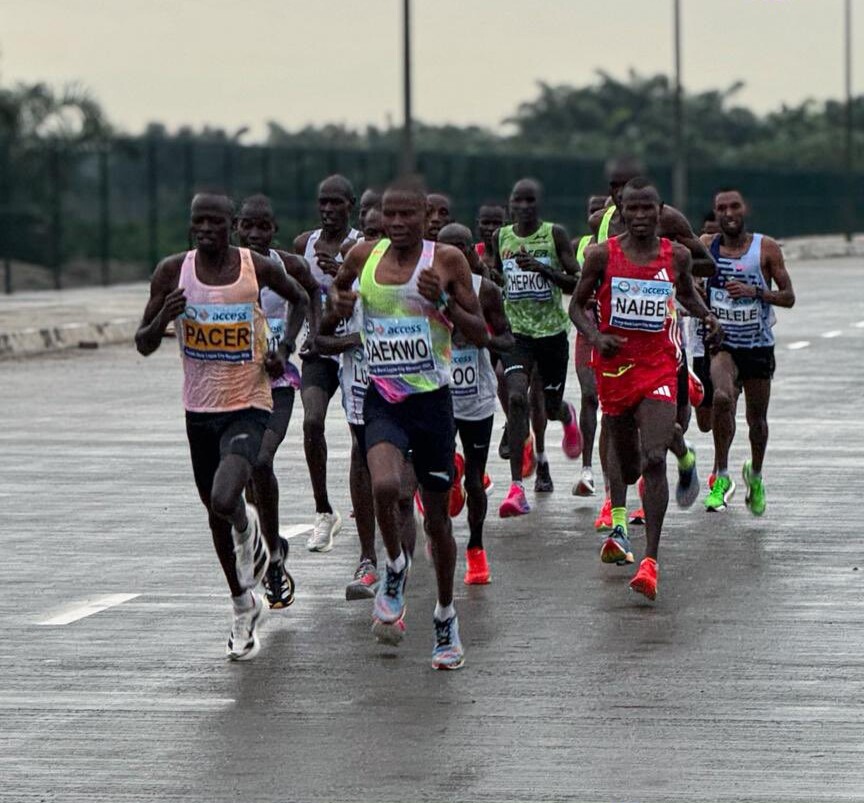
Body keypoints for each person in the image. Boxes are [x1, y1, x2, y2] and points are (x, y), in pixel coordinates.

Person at [135, 192, 309, 659]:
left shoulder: (256, 267)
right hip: (199, 410)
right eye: (199, 222)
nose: (206, 229)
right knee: (216, 514)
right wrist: (164, 318)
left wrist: (284, 348)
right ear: (191, 226)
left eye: (215, 221)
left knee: (225, 497)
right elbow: (143, 342)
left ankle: (253, 538)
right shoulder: (173, 272)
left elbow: (301, 298)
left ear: (231, 225)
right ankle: (242, 604)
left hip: (249, 403)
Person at [329, 178, 488, 670]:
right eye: (389, 215)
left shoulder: (447, 261)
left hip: (433, 404)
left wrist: (443, 303)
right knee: (385, 486)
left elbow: (481, 332)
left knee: (438, 523)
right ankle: (395, 564)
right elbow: (337, 293)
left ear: (425, 216)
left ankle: (445, 616)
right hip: (384, 399)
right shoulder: (363, 256)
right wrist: (339, 304)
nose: (397, 223)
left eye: (407, 215)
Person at [570, 178, 720, 600]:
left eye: (646, 209)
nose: (639, 216)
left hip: (658, 365)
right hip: (615, 368)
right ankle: (638, 490)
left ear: (660, 212)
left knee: (654, 457)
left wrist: (707, 316)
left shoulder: (676, 256)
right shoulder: (602, 255)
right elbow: (577, 305)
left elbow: (687, 295)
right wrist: (595, 336)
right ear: (621, 211)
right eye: (631, 209)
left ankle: (650, 561)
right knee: (630, 463)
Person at [235, 194, 321, 609]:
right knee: (245, 477)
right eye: (248, 225)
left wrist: (295, 343)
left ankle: (270, 556)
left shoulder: (287, 266)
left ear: (274, 230)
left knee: (260, 461)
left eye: (263, 226)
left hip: (278, 385)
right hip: (233, 388)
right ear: (236, 227)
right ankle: (272, 546)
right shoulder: (222, 269)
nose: (255, 233)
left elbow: (309, 296)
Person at [490, 178, 583, 517]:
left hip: (552, 334)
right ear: (510, 204)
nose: (525, 206)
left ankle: (566, 414)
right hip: (517, 336)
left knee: (550, 407)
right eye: (519, 200)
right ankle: (516, 487)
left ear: (539, 204)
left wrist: (542, 269)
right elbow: (497, 276)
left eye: (531, 200)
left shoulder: (554, 234)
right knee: (517, 398)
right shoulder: (501, 237)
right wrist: (493, 278)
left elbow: (577, 281)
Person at [701, 188, 795, 514]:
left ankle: (755, 475)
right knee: (722, 398)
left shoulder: (765, 248)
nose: (728, 213)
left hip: (757, 345)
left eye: (734, 206)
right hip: (723, 345)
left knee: (757, 421)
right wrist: (701, 306)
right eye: (721, 208)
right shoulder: (706, 246)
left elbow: (788, 297)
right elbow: (687, 283)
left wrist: (754, 291)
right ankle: (721, 476)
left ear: (745, 209)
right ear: (715, 213)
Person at [438, 222, 514, 584]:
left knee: (475, 479)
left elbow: (507, 339)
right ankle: (441, 534)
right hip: (437, 393)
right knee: (434, 474)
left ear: (471, 252)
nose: (453, 256)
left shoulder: (487, 290)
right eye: (445, 250)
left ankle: (476, 548)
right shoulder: (423, 288)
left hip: (476, 397)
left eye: (460, 248)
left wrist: (481, 338)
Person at [293, 175, 362, 552]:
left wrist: (342, 273)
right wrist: (308, 331)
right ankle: (324, 511)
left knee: (360, 434)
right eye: (323, 202)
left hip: (354, 349)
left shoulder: (362, 245)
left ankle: (366, 503)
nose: (328, 209)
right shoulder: (304, 244)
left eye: (336, 202)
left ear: (351, 204)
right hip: (320, 350)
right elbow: (303, 295)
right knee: (312, 421)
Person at [571, 193, 609, 497]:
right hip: (587, 333)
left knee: (614, 406)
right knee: (589, 396)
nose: (596, 216)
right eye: (591, 210)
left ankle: (615, 469)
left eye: (602, 211)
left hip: (618, 335)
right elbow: (570, 284)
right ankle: (587, 470)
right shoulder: (580, 246)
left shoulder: (625, 249)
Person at [475, 202, 508, 278]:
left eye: (496, 223)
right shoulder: (473, 254)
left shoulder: (514, 252)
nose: (491, 228)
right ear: (478, 224)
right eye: (485, 223)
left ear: (505, 225)